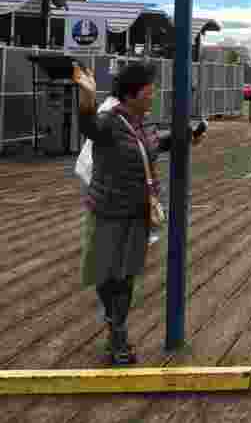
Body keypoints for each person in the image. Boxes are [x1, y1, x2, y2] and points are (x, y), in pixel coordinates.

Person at [73, 61, 207, 365]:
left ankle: (117, 334)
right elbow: (88, 126)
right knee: (105, 276)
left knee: (125, 276)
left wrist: (186, 136)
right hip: (107, 212)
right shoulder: (109, 121)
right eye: (149, 90)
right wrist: (86, 96)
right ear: (132, 94)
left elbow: (154, 143)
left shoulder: (140, 123)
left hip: (137, 213)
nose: (153, 95)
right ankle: (113, 322)